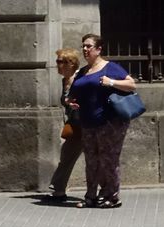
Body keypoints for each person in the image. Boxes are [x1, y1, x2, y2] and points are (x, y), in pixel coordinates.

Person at [67, 33, 137, 209]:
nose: (85, 49)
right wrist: (71, 102)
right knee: (91, 160)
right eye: (83, 46)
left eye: (89, 46)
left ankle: (111, 196)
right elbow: (74, 94)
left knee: (108, 159)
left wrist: (111, 82)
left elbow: (131, 84)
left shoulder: (110, 68)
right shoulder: (83, 72)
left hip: (110, 122)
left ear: (98, 49)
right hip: (88, 122)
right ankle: (90, 196)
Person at [45, 47, 83, 202]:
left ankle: (58, 188)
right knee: (67, 156)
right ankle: (58, 189)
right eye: (57, 61)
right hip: (75, 124)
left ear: (70, 63)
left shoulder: (79, 78)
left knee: (96, 159)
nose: (57, 64)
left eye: (60, 61)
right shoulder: (65, 80)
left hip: (85, 125)